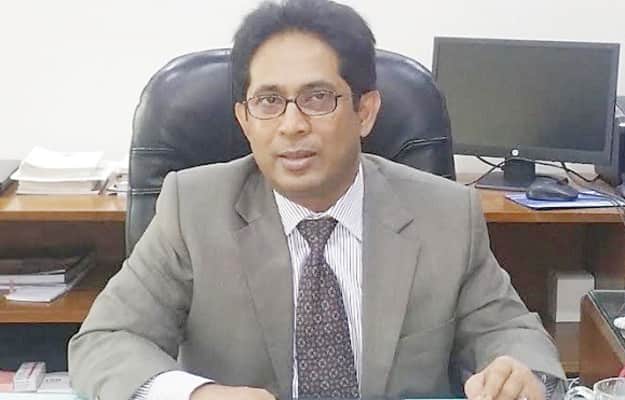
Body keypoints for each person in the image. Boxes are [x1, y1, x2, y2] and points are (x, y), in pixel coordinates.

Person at [68, 1, 566, 399]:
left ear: (365, 112)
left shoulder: (446, 214)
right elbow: (107, 340)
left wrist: (521, 374)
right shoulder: (193, 208)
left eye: (317, 98)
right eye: (269, 101)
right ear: (244, 119)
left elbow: (510, 330)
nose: (291, 125)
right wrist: (197, 394)